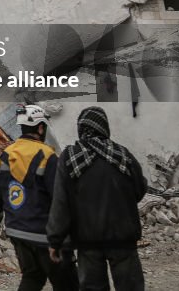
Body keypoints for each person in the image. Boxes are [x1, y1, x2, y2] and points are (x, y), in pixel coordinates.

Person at [47, 107, 147, 291]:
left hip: (87, 242)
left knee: (92, 287)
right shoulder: (122, 154)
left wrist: (55, 240)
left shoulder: (70, 158)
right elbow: (140, 188)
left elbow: (61, 204)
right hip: (123, 238)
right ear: (104, 128)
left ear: (81, 129)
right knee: (130, 286)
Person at [0, 104, 78, 291]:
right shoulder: (47, 156)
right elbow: (59, 200)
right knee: (67, 284)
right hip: (43, 235)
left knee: (32, 277)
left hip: (17, 232)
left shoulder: (7, 155)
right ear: (40, 128)